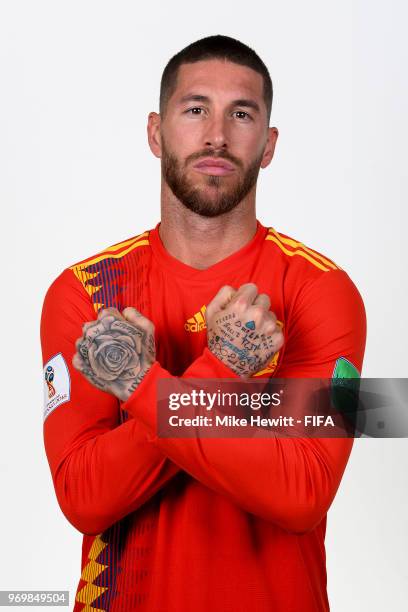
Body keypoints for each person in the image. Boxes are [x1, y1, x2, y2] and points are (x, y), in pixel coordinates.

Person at [40, 34, 366, 612]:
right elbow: (84, 498)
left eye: (241, 114)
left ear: (268, 145)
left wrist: (142, 385)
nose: (217, 134)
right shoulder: (87, 293)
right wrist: (221, 373)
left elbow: (303, 494)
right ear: (155, 132)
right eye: (195, 109)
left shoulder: (323, 292)